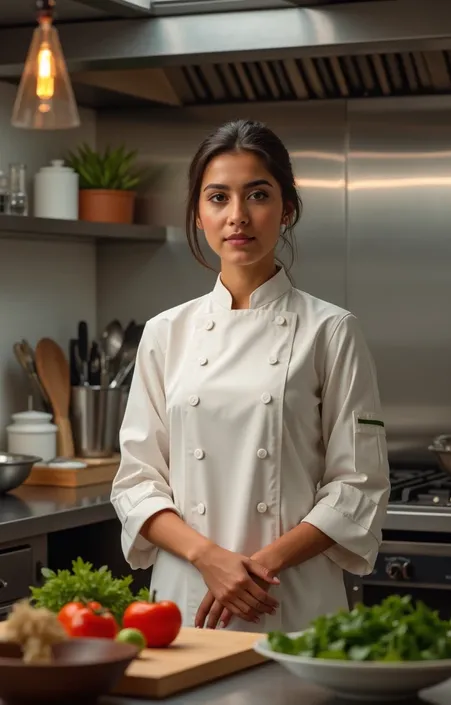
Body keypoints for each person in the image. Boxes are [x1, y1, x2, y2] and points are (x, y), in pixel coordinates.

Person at [111, 119, 390, 634]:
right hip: (188, 599)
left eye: (257, 195)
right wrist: (210, 559)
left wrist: (258, 570)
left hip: (289, 599)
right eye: (218, 198)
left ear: (287, 210)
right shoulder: (165, 332)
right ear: (198, 213)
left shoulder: (331, 331)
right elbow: (137, 482)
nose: (237, 216)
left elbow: (358, 485)